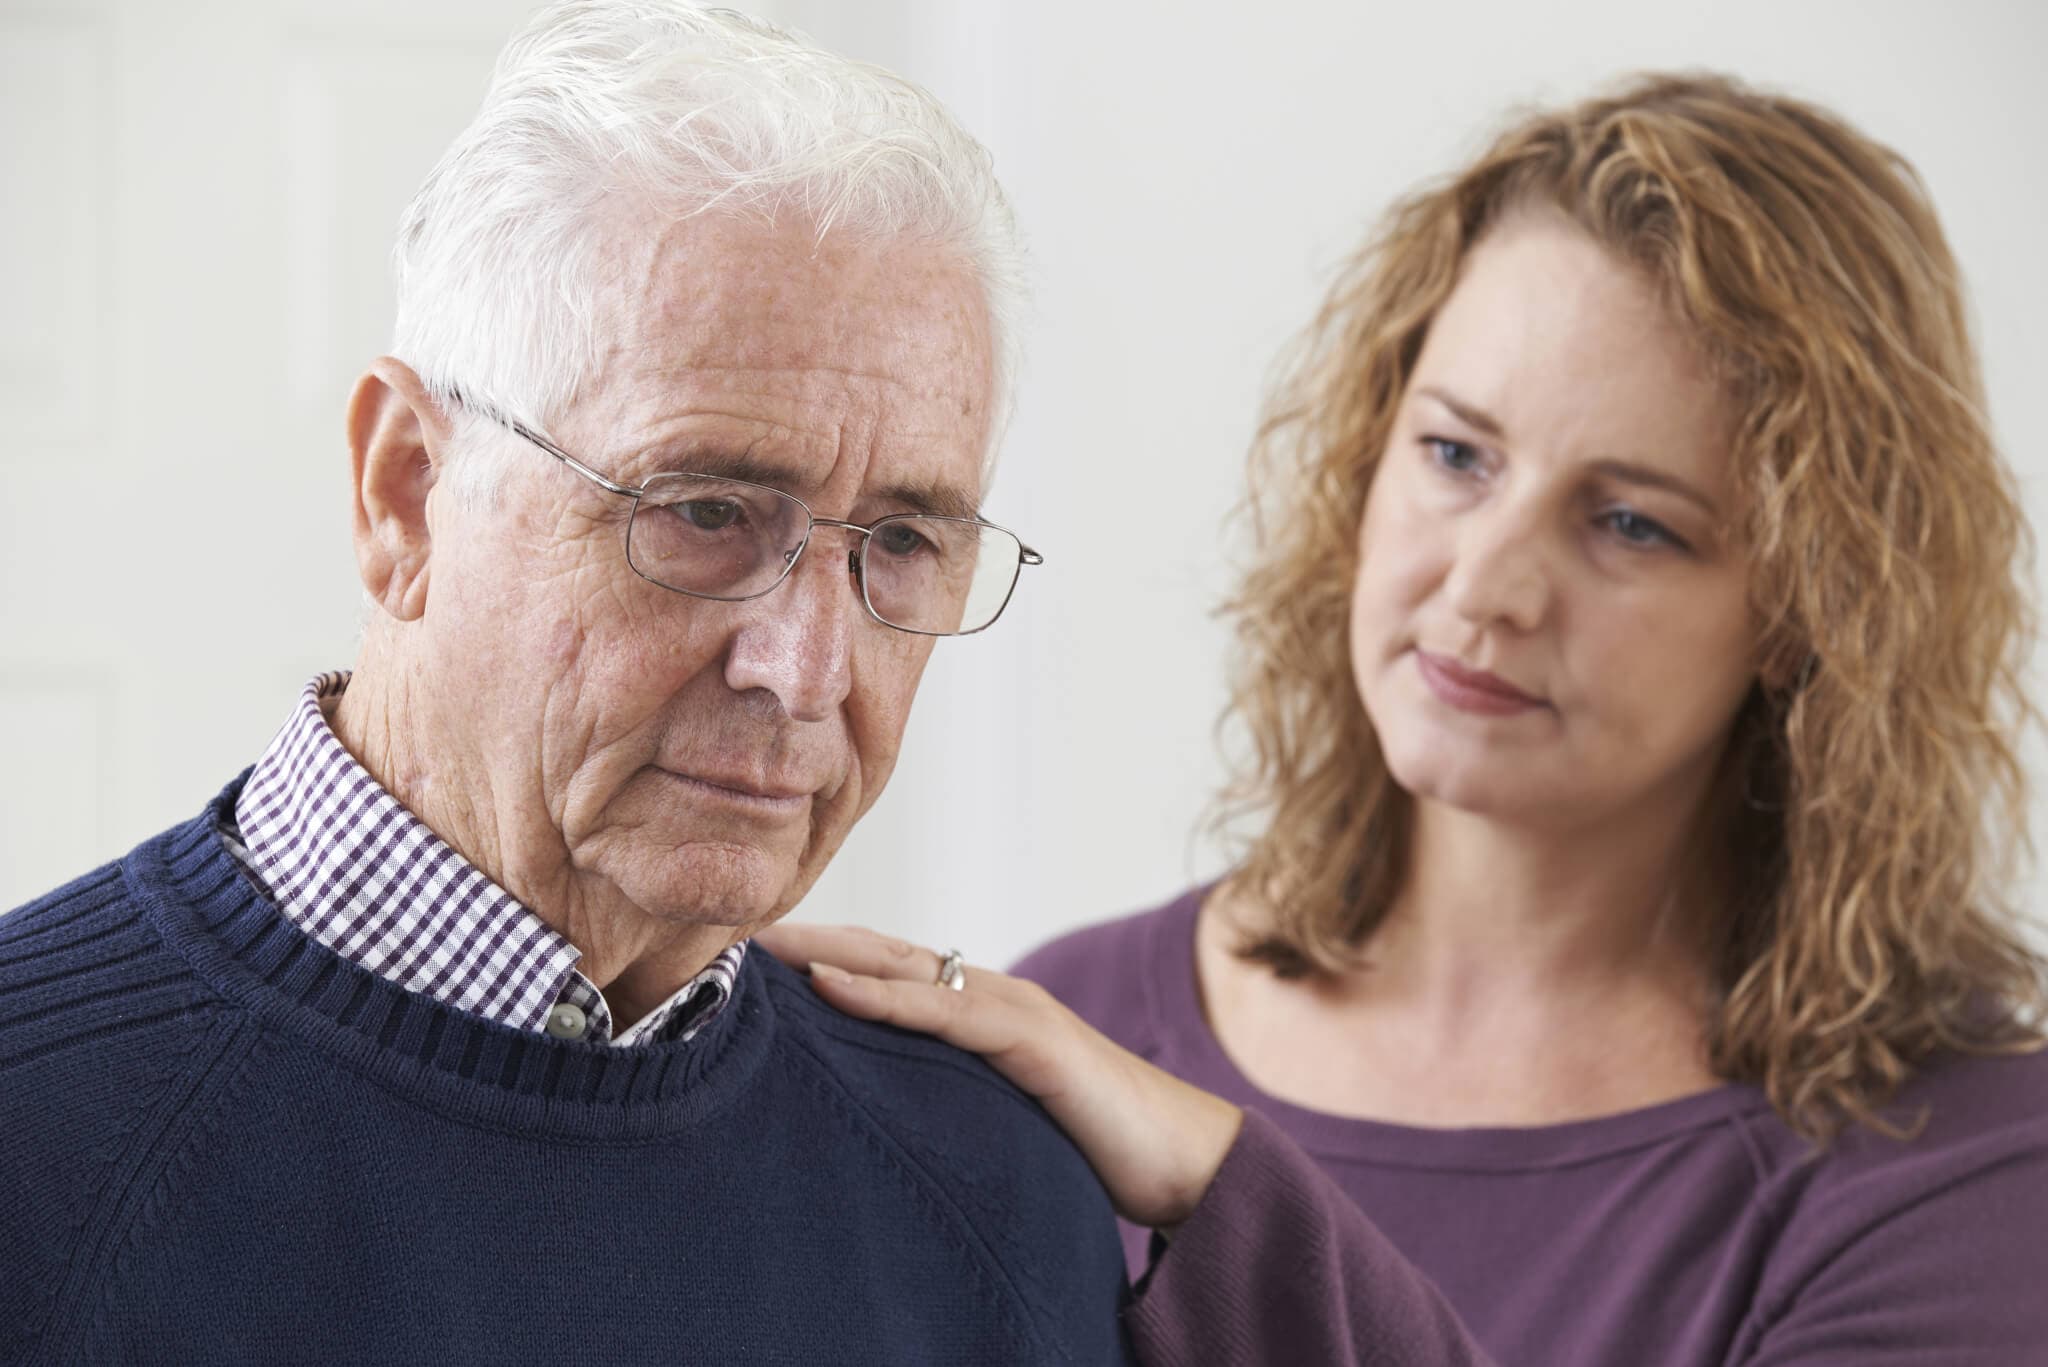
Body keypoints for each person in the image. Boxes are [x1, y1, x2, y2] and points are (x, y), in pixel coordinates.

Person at [764, 73, 2048, 1364]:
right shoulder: (1076, 1020)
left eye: (1632, 522)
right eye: (1456, 455)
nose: (1485, 585)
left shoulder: (1965, 1164)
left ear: (1810, 603)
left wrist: (1233, 1198)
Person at [0, 5, 1134, 1363]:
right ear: (408, 493)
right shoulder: (37, 1143)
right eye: (707, 511)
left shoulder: (1005, 1196)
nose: (806, 672)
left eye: (901, 544)